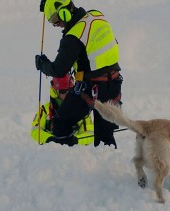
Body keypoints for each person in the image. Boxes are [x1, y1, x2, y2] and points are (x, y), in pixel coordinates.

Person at [35, 0, 123, 149]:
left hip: (91, 89)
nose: (58, 26)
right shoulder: (96, 15)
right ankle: (108, 167)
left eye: (57, 22)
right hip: (114, 84)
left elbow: (58, 70)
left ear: (65, 13)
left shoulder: (73, 37)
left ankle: (67, 161)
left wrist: (42, 64)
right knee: (105, 137)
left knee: (61, 124)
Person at [30, 75, 94, 146]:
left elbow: (90, 134)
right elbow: (35, 131)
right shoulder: (45, 109)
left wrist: (75, 140)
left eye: (70, 90)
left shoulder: (81, 110)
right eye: (63, 91)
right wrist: (50, 139)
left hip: (74, 152)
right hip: (51, 150)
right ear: (55, 92)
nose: (67, 94)